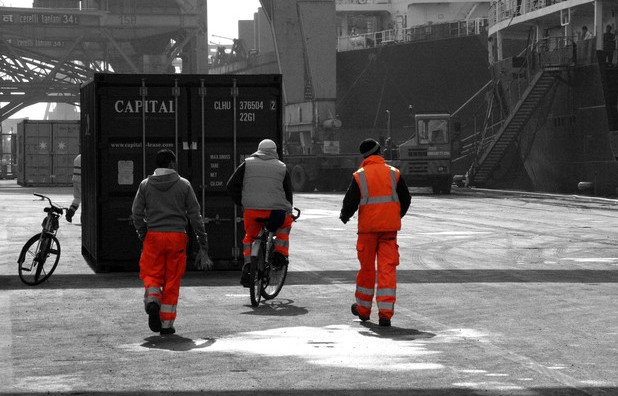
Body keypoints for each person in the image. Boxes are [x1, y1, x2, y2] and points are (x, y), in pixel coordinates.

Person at [131, 149, 210, 335]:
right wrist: (203, 242)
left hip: (154, 236)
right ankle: (166, 325)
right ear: (172, 164)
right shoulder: (184, 185)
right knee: (172, 280)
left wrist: (143, 234)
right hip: (177, 237)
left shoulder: (145, 185)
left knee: (152, 274)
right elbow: (195, 216)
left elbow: (136, 213)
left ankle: (152, 301)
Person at [339, 138, 411, 327]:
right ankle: (385, 314)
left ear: (364, 156)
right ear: (379, 152)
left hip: (367, 231)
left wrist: (344, 216)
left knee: (367, 269)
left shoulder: (360, 175)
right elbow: (406, 198)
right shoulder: (393, 173)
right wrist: (395, 216)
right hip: (388, 230)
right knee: (387, 269)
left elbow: (350, 200)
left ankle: (363, 310)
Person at [226, 139, 294, 287]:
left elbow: (231, 185)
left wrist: (243, 202)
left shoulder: (247, 164)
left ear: (258, 150)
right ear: (274, 151)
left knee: (250, 237)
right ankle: (279, 254)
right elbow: (288, 192)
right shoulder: (281, 167)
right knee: (285, 224)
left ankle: (249, 264)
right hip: (275, 213)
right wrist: (289, 209)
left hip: (252, 211)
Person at [65, 154, 81, 222]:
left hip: (75, 180)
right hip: (82, 180)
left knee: (77, 198)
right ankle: (84, 219)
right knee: (86, 200)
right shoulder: (87, 157)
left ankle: (70, 213)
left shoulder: (77, 157)